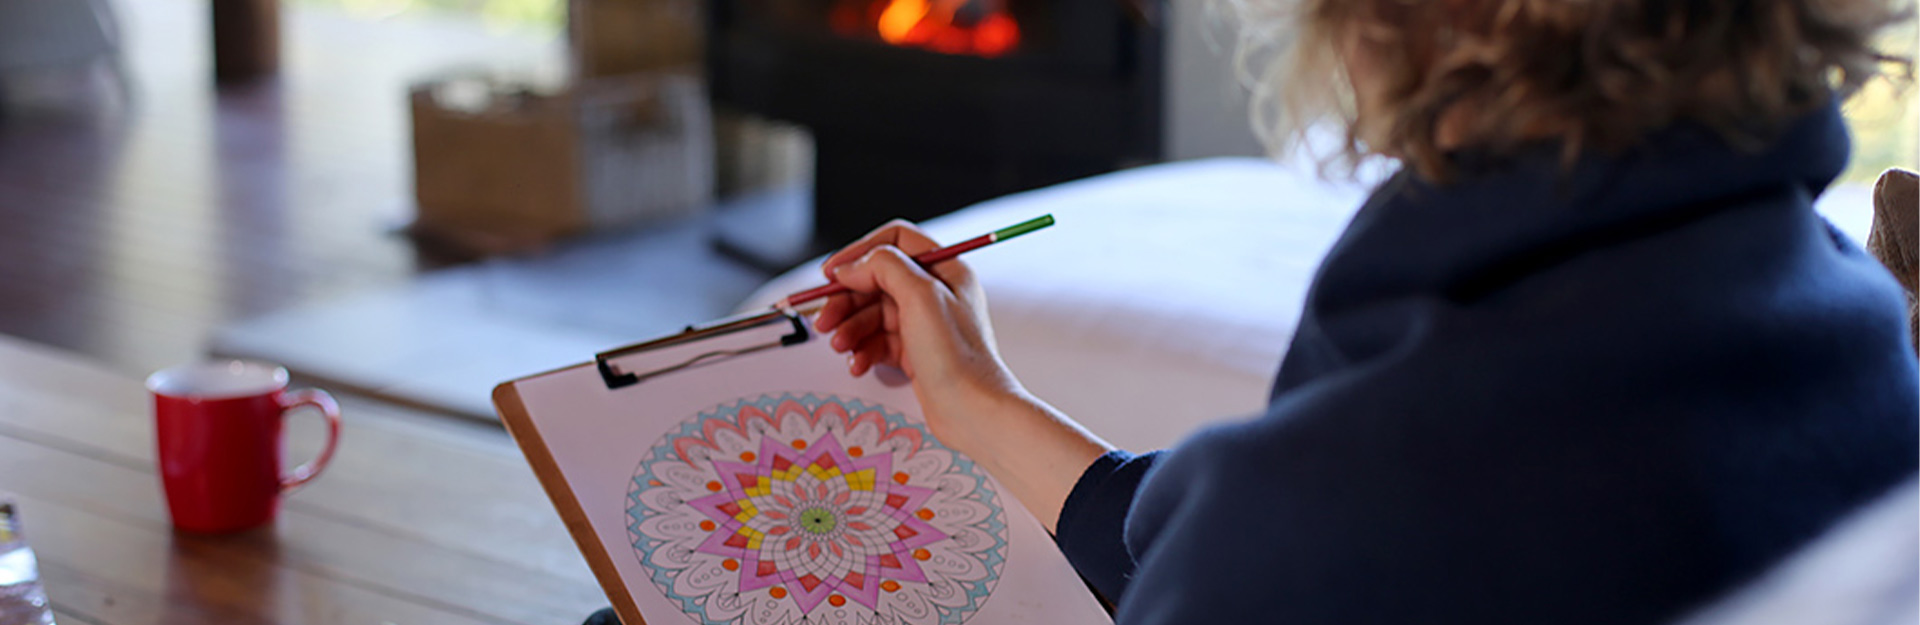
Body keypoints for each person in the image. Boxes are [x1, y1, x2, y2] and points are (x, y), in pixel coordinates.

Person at [587, 0, 1918, 623]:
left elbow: (1291, 537)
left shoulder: (1365, 506)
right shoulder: (1847, 322)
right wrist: (977, 401)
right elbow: (1208, 529)